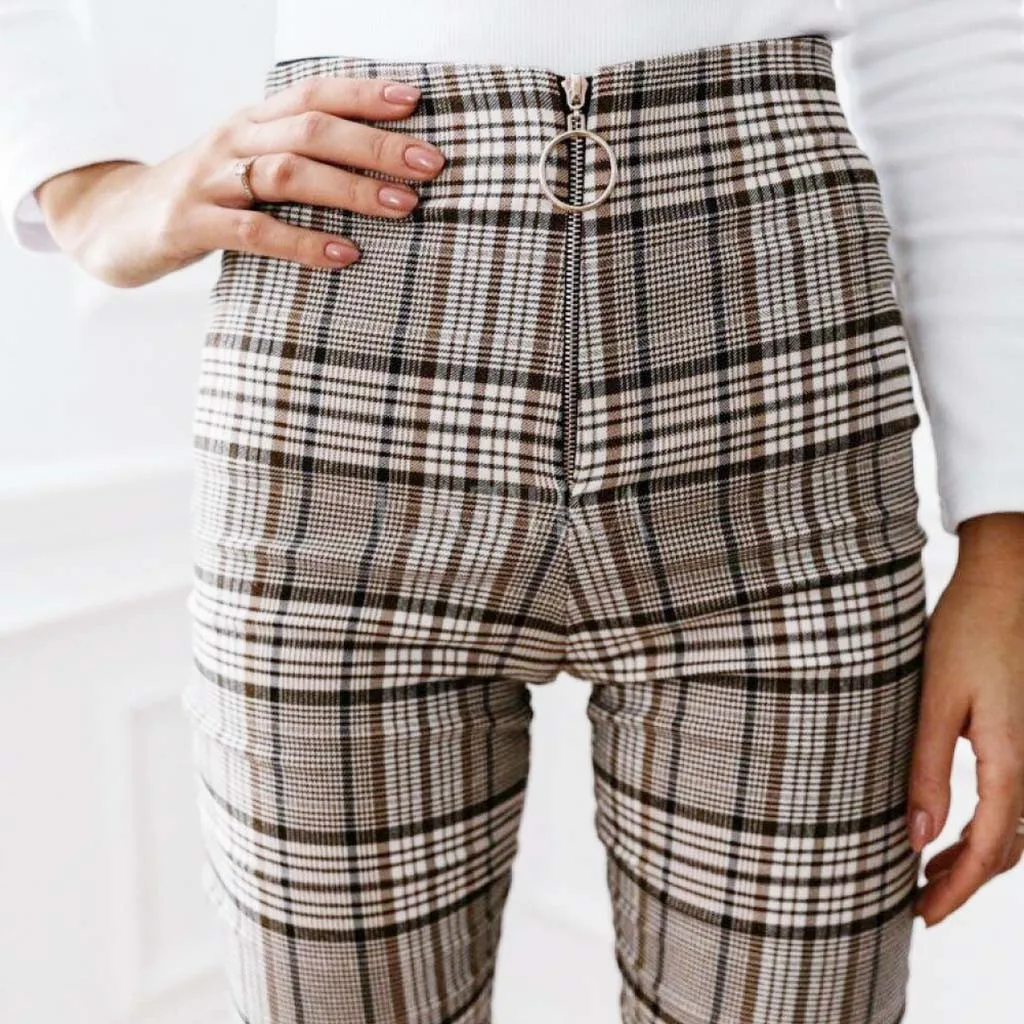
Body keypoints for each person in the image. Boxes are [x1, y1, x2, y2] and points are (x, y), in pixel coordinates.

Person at [1, 2, 1022, 1022]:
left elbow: (949, 36)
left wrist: (1006, 544)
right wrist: (83, 188)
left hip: (780, 378)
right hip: (347, 347)